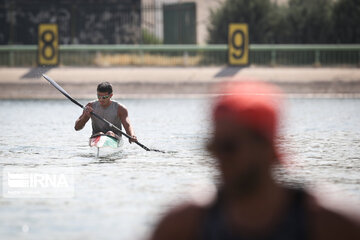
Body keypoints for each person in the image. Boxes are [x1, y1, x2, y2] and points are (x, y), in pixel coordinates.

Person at [149, 81, 360, 240]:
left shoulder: (329, 224)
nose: (219, 159)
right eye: (213, 147)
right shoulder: (184, 225)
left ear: (268, 147)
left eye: (229, 147)